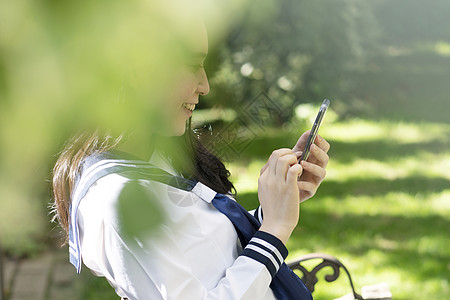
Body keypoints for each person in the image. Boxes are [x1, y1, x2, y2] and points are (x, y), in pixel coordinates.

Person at [51, 22, 330, 300]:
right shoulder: (117, 201)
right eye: (192, 65)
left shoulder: (157, 158)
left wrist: (277, 205)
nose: (205, 86)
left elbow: (210, 252)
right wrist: (276, 229)